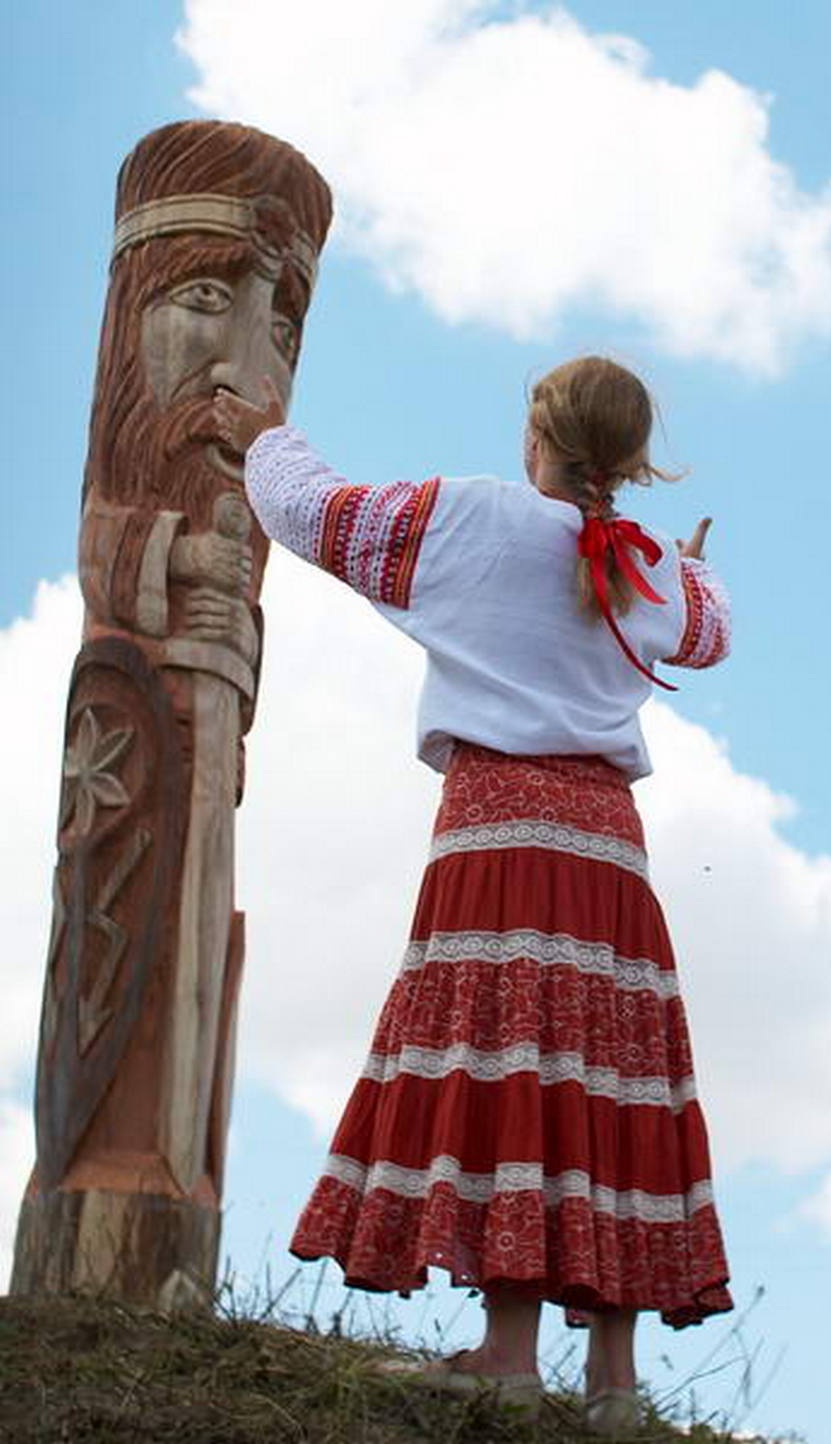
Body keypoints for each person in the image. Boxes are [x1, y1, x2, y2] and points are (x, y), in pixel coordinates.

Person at [213, 356, 733, 1433]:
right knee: (605, 1071)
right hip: (607, 846)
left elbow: (309, 513)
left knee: (510, 1061)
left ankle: (506, 1353)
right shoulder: (647, 571)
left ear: (535, 435)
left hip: (495, 825)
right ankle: (616, 1382)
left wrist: (268, 434)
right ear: (633, 461)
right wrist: (689, 571)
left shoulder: (470, 519)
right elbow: (713, 633)